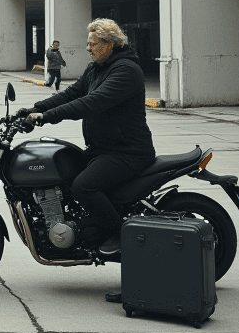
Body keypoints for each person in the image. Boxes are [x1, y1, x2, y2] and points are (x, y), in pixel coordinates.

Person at [22, 18, 155, 255]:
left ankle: (120, 235)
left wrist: (47, 117)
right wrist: (34, 109)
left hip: (127, 151)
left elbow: (91, 103)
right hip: (102, 149)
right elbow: (72, 94)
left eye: (92, 44)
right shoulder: (96, 68)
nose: (88, 48)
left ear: (108, 44)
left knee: (83, 186)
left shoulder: (126, 70)